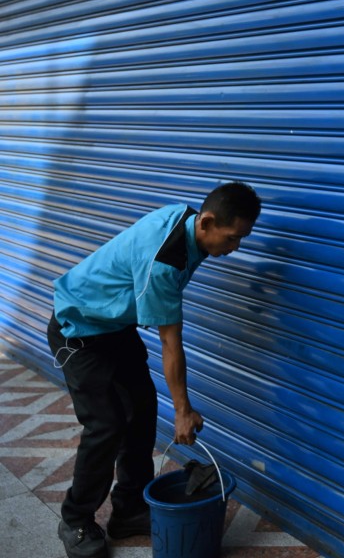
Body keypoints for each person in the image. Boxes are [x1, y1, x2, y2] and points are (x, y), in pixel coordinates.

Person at [46, 181, 261, 558]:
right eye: (231, 238)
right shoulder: (167, 258)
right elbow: (169, 343)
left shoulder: (186, 218)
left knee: (142, 411)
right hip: (77, 329)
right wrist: (183, 410)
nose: (234, 248)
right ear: (207, 222)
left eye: (241, 239)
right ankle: (75, 518)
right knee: (107, 424)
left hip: (112, 326)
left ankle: (128, 511)